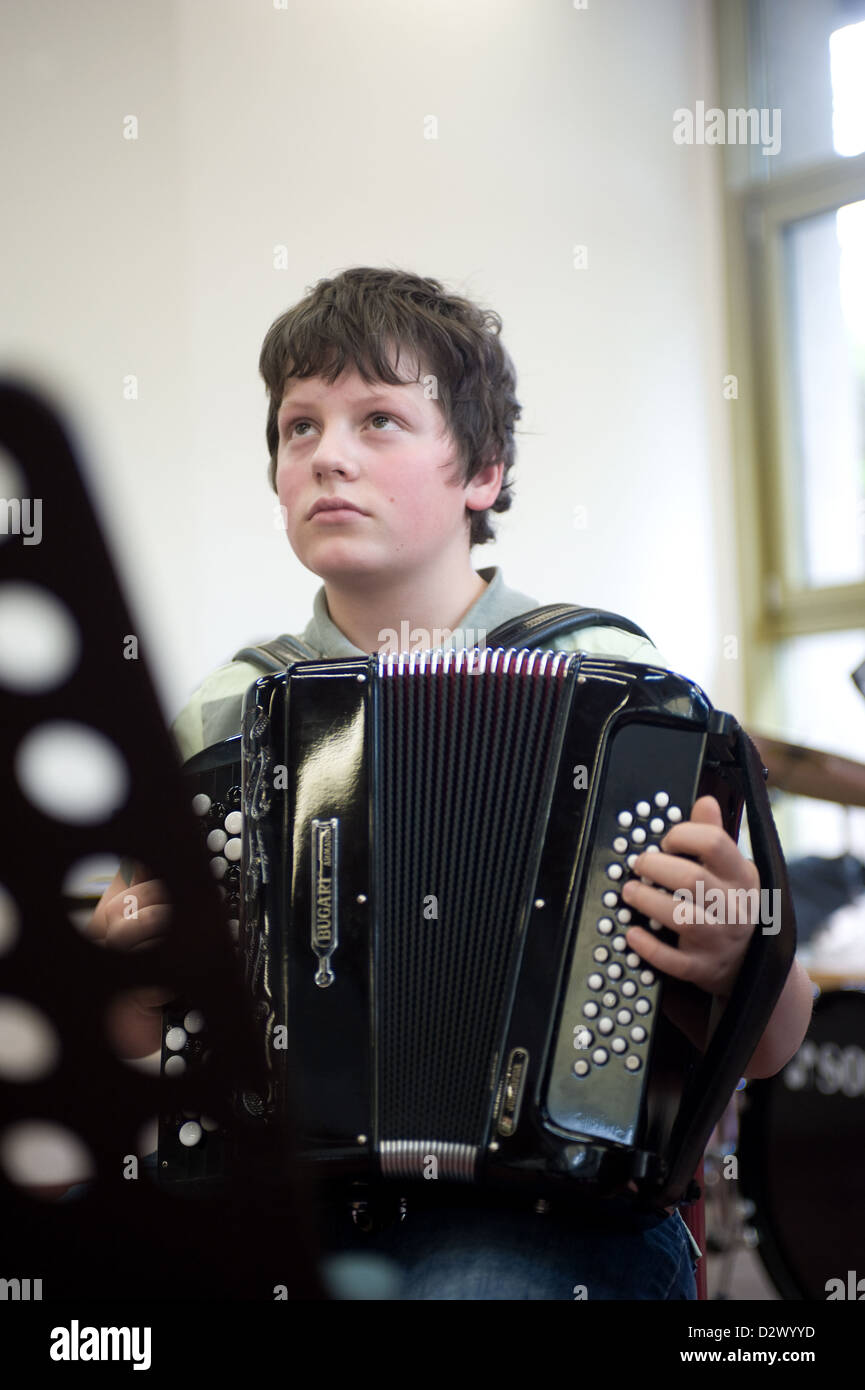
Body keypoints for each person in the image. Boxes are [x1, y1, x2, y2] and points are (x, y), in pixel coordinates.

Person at [87, 266, 814, 1299]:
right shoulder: (222, 714)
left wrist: (734, 945)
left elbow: (771, 1044)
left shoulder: (623, 697)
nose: (327, 454)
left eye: (378, 419)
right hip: (282, 1209)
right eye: (299, 427)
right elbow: (137, 1038)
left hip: (553, 1221)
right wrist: (127, 969)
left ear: (482, 471)